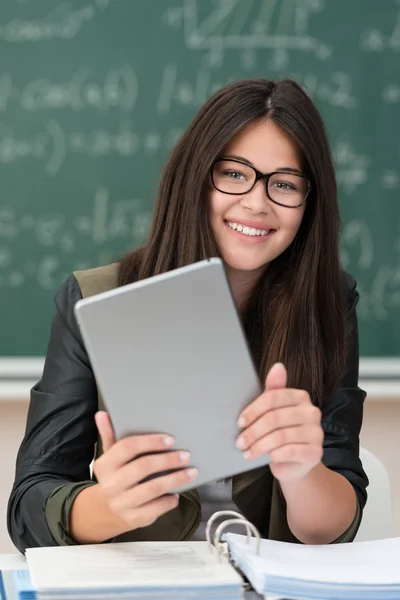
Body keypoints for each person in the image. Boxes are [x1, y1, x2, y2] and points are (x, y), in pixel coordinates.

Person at [7, 78, 368, 553]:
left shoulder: (327, 302)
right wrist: (106, 506)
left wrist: (303, 472)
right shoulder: (94, 299)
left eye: (284, 184)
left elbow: (338, 525)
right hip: (143, 582)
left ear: (309, 203)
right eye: (235, 174)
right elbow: (29, 508)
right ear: (195, 176)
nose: (257, 203)